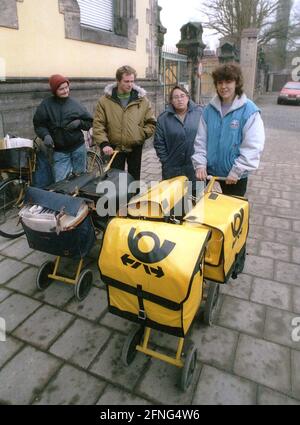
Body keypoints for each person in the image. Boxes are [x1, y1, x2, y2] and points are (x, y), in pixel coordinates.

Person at [192, 63, 265, 197]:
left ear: (237, 83)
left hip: (234, 178)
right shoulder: (209, 110)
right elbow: (201, 140)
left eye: (228, 82)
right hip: (209, 175)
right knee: (206, 213)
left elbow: (253, 145)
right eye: (220, 82)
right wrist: (200, 164)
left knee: (231, 215)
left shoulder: (249, 111)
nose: (224, 87)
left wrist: (237, 171)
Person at [93, 65, 156, 180]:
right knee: (116, 181)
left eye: (132, 81)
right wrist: (104, 143)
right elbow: (98, 125)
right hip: (114, 148)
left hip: (135, 147)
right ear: (118, 81)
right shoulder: (105, 101)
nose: (130, 84)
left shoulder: (142, 100)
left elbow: (151, 122)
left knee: (134, 181)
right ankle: (120, 198)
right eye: (126, 81)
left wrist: (140, 134)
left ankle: (134, 198)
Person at [33, 74, 93, 182]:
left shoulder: (75, 104)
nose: (65, 91)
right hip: (59, 151)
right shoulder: (46, 105)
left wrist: (79, 123)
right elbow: (39, 124)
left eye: (66, 87)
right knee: (61, 183)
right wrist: (45, 135)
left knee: (81, 179)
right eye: (61, 89)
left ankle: (80, 199)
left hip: (78, 148)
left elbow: (89, 122)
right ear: (54, 90)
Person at [154, 85, 203, 183]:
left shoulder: (200, 113)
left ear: (188, 98)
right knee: (175, 196)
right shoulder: (163, 119)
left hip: (195, 167)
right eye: (176, 97)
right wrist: (166, 161)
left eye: (182, 96)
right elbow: (159, 143)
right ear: (171, 101)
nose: (180, 99)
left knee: (196, 195)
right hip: (172, 168)